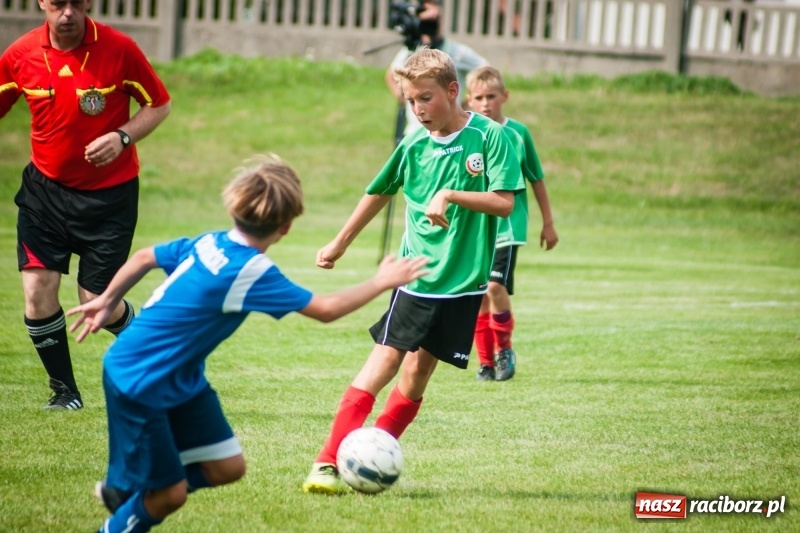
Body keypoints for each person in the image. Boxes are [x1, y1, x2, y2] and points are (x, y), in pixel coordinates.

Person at [66, 154, 429, 533]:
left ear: (234, 207)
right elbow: (325, 310)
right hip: (140, 378)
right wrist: (382, 281)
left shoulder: (212, 241)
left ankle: (137, 488)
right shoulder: (250, 270)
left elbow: (144, 256)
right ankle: (133, 502)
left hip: (178, 376)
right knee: (170, 495)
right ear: (285, 227)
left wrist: (108, 299)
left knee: (227, 467)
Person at [303, 47, 520, 495]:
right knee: (384, 360)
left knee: (417, 376)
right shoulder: (413, 145)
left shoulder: (491, 137)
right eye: (410, 100)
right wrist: (341, 241)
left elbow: (504, 203)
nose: (418, 109)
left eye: (425, 98)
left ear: (452, 90)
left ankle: (370, 454)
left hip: (464, 284)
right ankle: (327, 460)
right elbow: (379, 191)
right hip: (417, 274)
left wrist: (451, 194)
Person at [0, 0, 171, 410]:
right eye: (58, 3)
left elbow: (159, 104)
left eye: (76, 3)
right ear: (42, 3)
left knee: (97, 301)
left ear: (89, 3)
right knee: (37, 290)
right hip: (44, 193)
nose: (67, 13)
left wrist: (122, 137)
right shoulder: (20, 54)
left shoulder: (119, 49)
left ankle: (158, 351)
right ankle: (64, 393)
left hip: (110, 197)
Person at [465, 65, 558, 382]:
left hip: (507, 226)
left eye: (491, 96)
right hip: (477, 227)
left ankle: (504, 350)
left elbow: (536, 178)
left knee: (494, 286)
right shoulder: (469, 134)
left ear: (504, 96)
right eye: (479, 97)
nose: (485, 103)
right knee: (478, 293)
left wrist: (548, 223)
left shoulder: (518, 133)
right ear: (469, 100)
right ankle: (485, 363)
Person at [385, 0, 487, 135]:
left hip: (450, 130)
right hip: (416, 131)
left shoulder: (457, 51)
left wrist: (468, 103)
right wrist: (406, 99)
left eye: (435, 19)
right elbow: (391, 74)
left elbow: (486, 69)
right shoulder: (412, 50)